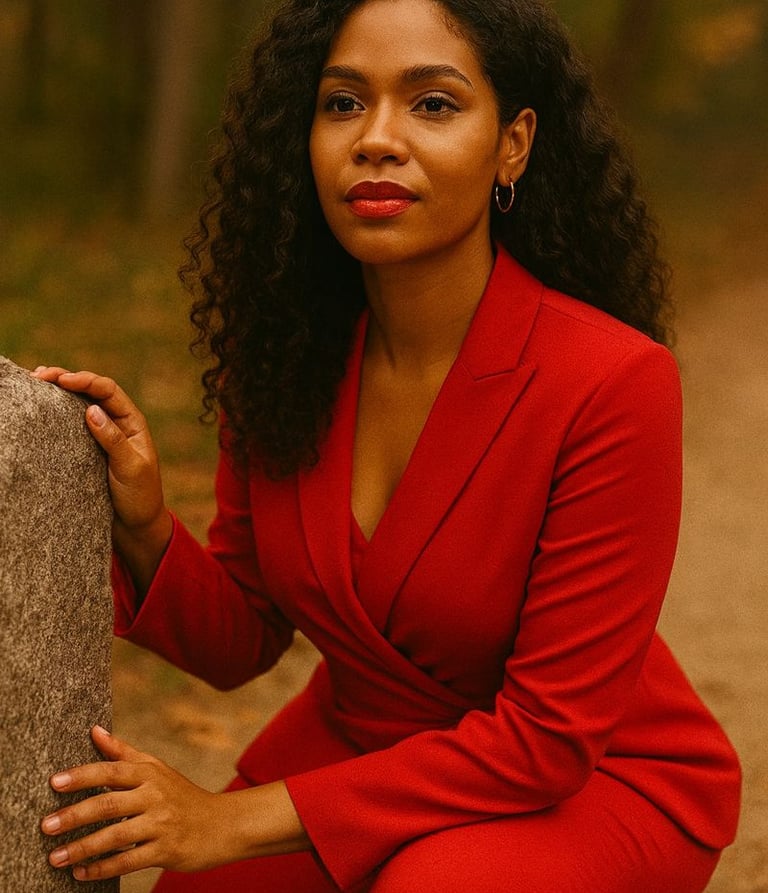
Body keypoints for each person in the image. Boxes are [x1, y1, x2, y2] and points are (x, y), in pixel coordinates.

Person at [35, 0, 740, 890]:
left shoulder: (614, 380)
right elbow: (244, 639)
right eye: (342, 103)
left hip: (591, 776)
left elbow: (548, 739)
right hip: (362, 752)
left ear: (513, 145)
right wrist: (143, 526)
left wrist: (230, 818)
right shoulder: (286, 357)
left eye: (432, 104)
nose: (375, 139)